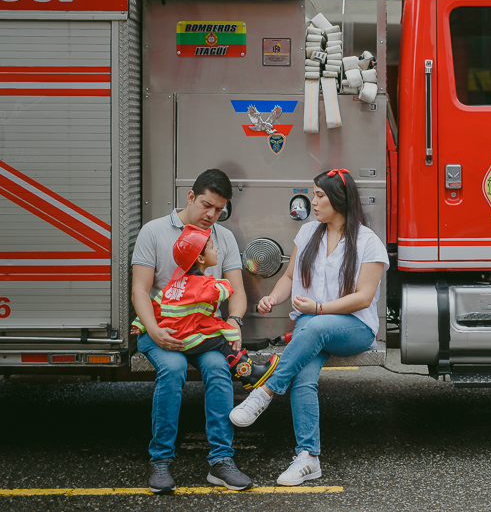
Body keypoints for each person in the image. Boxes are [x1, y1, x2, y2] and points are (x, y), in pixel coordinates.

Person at [229, 168, 389, 486]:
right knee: (303, 376)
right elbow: (289, 278)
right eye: (313, 194)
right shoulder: (308, 232)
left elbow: (363, 298)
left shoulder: (369, 243)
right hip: (310, 321)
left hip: (353, 328)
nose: (312, 202)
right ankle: (308, 458)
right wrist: (272, 299)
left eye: (319, 195)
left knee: (313, 328)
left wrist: (318, 309)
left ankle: (265, 390)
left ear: (339, 201)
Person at [132, 169, 253, 494]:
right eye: (206, 205)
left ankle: (221, 462)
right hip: (163, 326)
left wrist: (234, 321)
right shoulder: (153, 231)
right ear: (190, 197)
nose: (211, 215)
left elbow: (237, 293)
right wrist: (155, 332)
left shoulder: (222, 237)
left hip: (202, 332)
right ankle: (160, 461)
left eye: (218, 209)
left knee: (218, 368)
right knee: (172, 369)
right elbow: (140, 291)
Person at [132, 224, 279, 392]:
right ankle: (251, 373)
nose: (216, 249)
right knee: (223, 344)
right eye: (211, 247)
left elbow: (157, 304)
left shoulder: (175, 283)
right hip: (189, 338)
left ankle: (247, 374)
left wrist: (140, 323)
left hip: (177, 333)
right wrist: (218, 281)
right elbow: (227, 290)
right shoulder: (203, 285)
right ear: (201, 259)